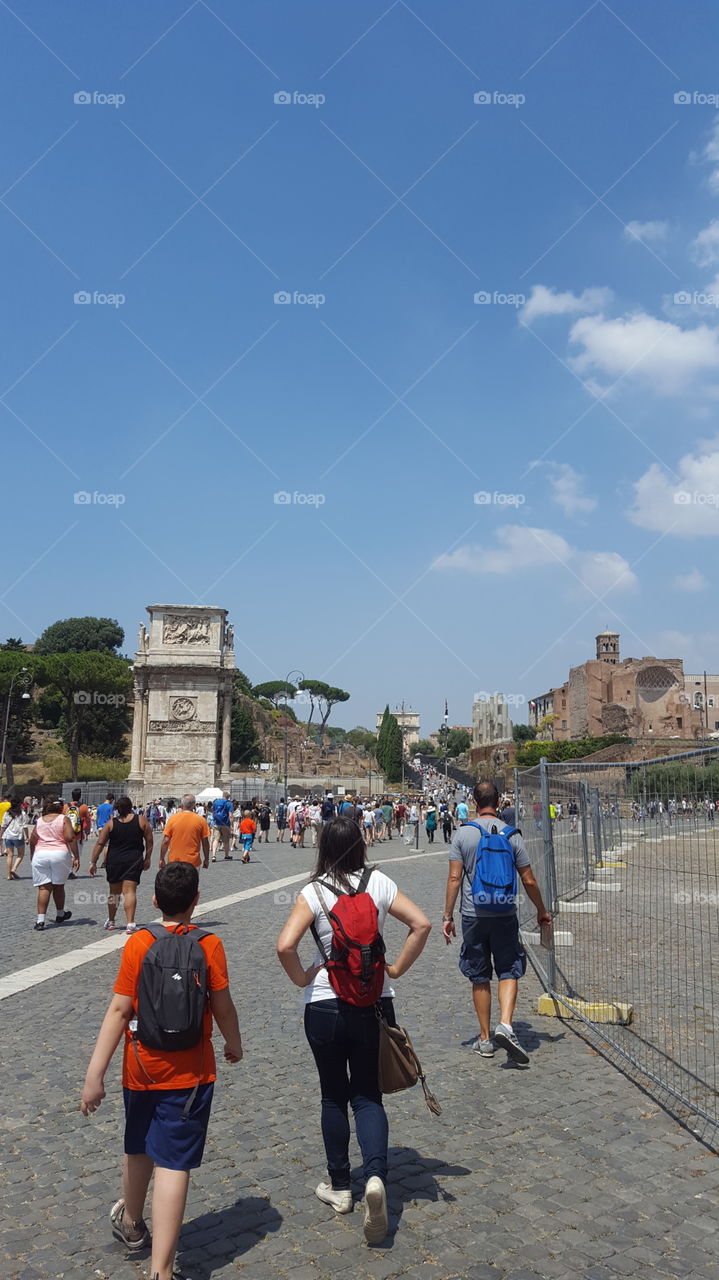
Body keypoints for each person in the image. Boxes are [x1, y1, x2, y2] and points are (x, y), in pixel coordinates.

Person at [80, 863, 243, 1280]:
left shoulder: (138, 943)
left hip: (140, 1067)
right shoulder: (211, 945)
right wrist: (233, 1043)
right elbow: (222, 1006)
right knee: (174, 1162)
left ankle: (132, 1223)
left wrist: (93, 1075)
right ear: (197, 901)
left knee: (138, 1145)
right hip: (191, 1072)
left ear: (154, 901)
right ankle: (162, 1271)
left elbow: (119, 1010)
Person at [276, 817, 431, 1244]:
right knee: (367, 1095)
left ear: (322, 846)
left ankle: (341, 1187)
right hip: (373, 1002)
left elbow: (284, 945)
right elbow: (422, 924)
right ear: (362, 845)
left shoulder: (313, 891)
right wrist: (395, 968)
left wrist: (303, 978)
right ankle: (376, 1179)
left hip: (325, 1004)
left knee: (332, 1095)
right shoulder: (379, 883)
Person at [442, 780, 551, 1064]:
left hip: (473, 914)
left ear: (475, 803)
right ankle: (506, 1024)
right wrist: (541, 910)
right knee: (508, 969)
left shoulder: (463, 834)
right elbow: (528, 879)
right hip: (505, 912)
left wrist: (447, 916)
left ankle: (484, 1039)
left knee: (479, 975)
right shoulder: (512, 834)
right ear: (499, 802)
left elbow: (454, 878)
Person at [89, 795, 153, 933]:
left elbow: (100, 843)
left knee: (114, 892)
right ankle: (130, 923)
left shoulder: (111, 824)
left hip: (114, 861)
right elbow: (149, 840)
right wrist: (147, 858)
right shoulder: (141, 820)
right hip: (134, 860)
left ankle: (111, 920)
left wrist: (93, 862)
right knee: (130, 891)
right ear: (130, 807)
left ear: (117, 809)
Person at [29, 797, 79, 930]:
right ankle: (60, 913)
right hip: (59, 854)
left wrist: (32, 854)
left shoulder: (39, 820)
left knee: (44, 888)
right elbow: (70, 837)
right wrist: (76, 856)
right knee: (58, 886)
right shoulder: (63, 819)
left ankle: (40, 920)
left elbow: (32, 839)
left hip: (41, 854)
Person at [160, 795, 210, 871]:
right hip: (193, 862)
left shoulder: (172, 819)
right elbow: (205, 842)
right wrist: (206, 858)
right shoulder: (201, 820)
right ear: (194, 805)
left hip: (174, 861)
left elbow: (166, 841)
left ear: (182, 805)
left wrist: (161, 858)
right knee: (191, 883)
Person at [64, 787, 91, 876]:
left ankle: (67, 870)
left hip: (66, 833)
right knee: (75, 853)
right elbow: (87, 820)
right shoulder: (83, 807)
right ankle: (70, 871)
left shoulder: (65, 807)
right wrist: (87, 830)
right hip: (78, 834)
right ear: (80, 796)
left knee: (67, 852)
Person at [3, 798, 26, 879]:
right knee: (20, 854)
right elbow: (25, 826)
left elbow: (3, 825)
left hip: (8, 835)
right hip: (18, 836)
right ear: (19, 804)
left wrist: (1, 835)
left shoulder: (7, 813)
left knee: (9, 855)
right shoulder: (22, 813)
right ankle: (14, 868)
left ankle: (9, 875)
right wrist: (27, 837)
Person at [211, 792, 233, 860]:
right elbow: (231, 815)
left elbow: (213, 812)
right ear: (228, 797)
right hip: (225, 824)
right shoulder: (229, 803)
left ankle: (213, 855)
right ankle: (226, 855)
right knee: (226, 840)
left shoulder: (216, 802)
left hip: (216, 823)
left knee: (216, 839)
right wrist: (231, 826)